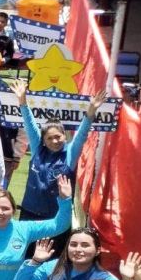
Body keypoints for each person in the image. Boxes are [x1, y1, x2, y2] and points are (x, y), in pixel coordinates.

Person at [14, 82, 105, 254]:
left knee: (54, 263)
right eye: (49, 138)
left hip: (56, 219)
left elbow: (82, 134)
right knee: (25, 258)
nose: (55, 141)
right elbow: (30, 125)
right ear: (43, 140)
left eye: (58, 137)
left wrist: (91, 110)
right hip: (29, 215)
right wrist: (22, 100)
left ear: (64, 136)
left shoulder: (69, 154)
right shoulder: (37, 149)